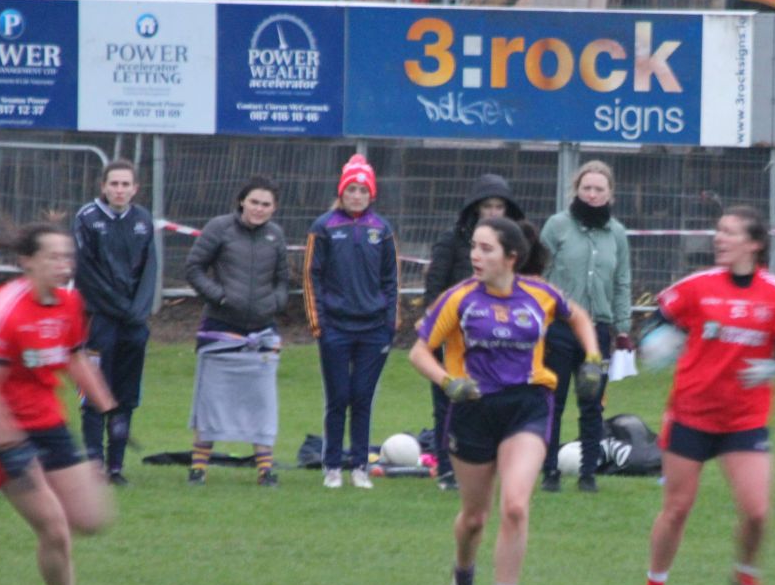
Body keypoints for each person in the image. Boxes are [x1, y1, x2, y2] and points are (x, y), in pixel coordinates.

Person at [409, 217, 602, 585]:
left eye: (486, 249)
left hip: (528, 406)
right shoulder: (459, 298)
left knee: (515, 505)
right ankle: (463, 571)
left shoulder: (540, 293)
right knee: (474, 518)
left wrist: (592, 357)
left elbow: (580, 317)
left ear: (511, 257)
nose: (476, 256)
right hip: (474, 410)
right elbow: (420, 352)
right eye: (474, 248)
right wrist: (448, 382)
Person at [639, 206, 775, 585]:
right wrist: (659, 341)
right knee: (677, 508)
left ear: (754, 243)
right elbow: (657, 323)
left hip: (744, 420)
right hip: (690, 414)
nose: (719, 239)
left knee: (757, 512)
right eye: (718, 231)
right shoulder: (697, 287)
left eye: (729, 233)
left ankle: (745, 576)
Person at [0, 223, 119, 585]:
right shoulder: (4, 309)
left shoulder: (70, 302)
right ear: (27, 261)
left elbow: (74, 357)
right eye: (53, 257)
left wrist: (108, 406)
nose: (63, 265)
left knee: (92, 519)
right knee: (54, 527)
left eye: (67, 257)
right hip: (2, 430)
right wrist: (8, 446)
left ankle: (26, 491)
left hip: (48, 421)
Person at [421, 172, 524, 492]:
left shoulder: (514, 249)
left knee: (491, 402)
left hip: (496, 338)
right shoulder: (451, 241)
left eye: (499, 206)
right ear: (475, 209)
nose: (493, 212)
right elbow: (434, 287)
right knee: (448, 400)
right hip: (453, 334)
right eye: (487, 206)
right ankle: (446, 468)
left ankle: (485, 467)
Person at [184, 178, 288, 487]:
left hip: (262, 333)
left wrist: (275, 302)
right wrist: (220, 297)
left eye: (266, 204)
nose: (259, 209)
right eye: (254, 202)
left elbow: (283, 280)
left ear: (274, 208)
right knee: (211, 401)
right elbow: (194, 268)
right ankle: (198, 468)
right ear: (242, 201)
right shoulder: (219, 228)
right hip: (220, 330)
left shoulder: (275, 235)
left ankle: (265, 470)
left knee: (262, 402)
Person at [303, 154, 398, 491]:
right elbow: (311, 277)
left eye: (362, 190)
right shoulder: (324, 227)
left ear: (371, 194)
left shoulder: (382, 230)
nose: (356, 195)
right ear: (341, 191)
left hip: (373, 330)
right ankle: (332, 466)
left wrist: (389, 324)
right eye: (351, 189)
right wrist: (320, 325)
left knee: (362, 397)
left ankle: (359, 465)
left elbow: (391, 280)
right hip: (336, 329)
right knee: (338, 397)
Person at [539, 160, 632, 494]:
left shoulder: (617, 234)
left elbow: (622, 282)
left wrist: (622, 329)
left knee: (592, 403)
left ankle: (588, 474)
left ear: (610, 194)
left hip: (598, 332)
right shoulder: (557, 226)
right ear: (576, 190)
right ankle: (549, 471)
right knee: (553, 400)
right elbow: (538, 275)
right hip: (559, 329)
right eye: (587, 188)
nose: (592, 195)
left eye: (599, 189)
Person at [73, 160, 158, 486]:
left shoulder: (143, 220)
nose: (119, 190)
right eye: (114, 184)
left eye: (126, 184)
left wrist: (138, 310)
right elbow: (86, 274)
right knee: (95, 392)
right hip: (98, 320)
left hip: (132, 322)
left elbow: (149, 269)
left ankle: (116, 467)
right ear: (103, 186)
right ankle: (94, 463)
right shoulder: (87, 219)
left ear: (135, 188)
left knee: (125, 394)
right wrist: (119, 307)